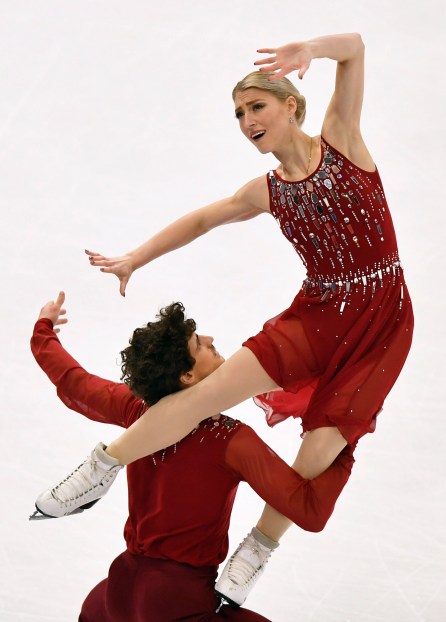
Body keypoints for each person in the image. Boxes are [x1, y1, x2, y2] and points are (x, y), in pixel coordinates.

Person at [35, 33, 414, 607]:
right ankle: (100, 467)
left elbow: (357, 47)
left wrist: (311, 49)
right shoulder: (266, 191)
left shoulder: (342, 140)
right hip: (316, 313)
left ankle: (259, 546)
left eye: (256, 107)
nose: (246, 120)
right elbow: (203, 220)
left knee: (319, 448)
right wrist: (136, 256)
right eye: (239, 113)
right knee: (202, 398)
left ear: (290, 104)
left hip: (383, 322)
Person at [31, 293, 355, 621]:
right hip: (176, 603)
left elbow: (75, 383)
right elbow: (308, 510)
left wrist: (43, 329)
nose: (211, 339)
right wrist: (346, 436)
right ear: (187, 376)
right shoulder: (228, 440)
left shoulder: (138, 413)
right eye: (200, 344)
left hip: (118, 592)